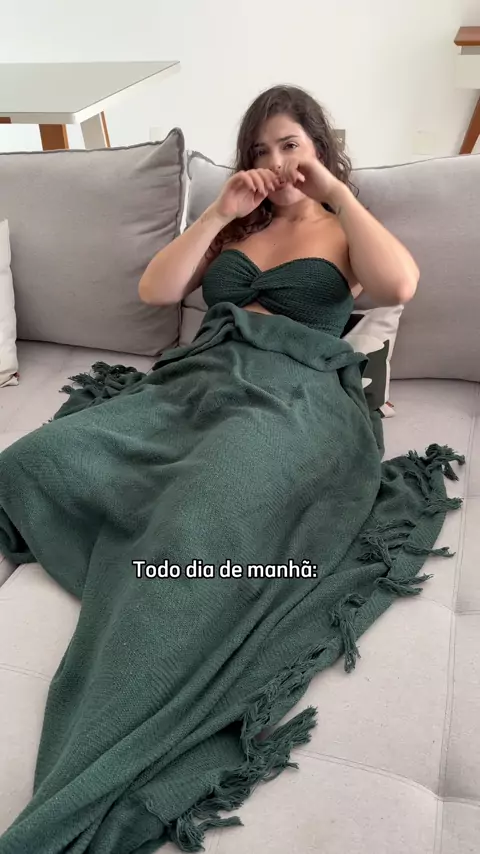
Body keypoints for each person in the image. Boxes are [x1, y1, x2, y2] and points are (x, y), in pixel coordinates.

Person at [139, 84, 419, 322]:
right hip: (209, 361)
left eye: (289, 146)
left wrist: (336, 193)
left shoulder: (348, 231)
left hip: (294, 370)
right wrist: (218, 214)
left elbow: (398, 288)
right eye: (261, 152)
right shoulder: (233, 229)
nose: (275, 162)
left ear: (319, 152)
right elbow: (154, 291)